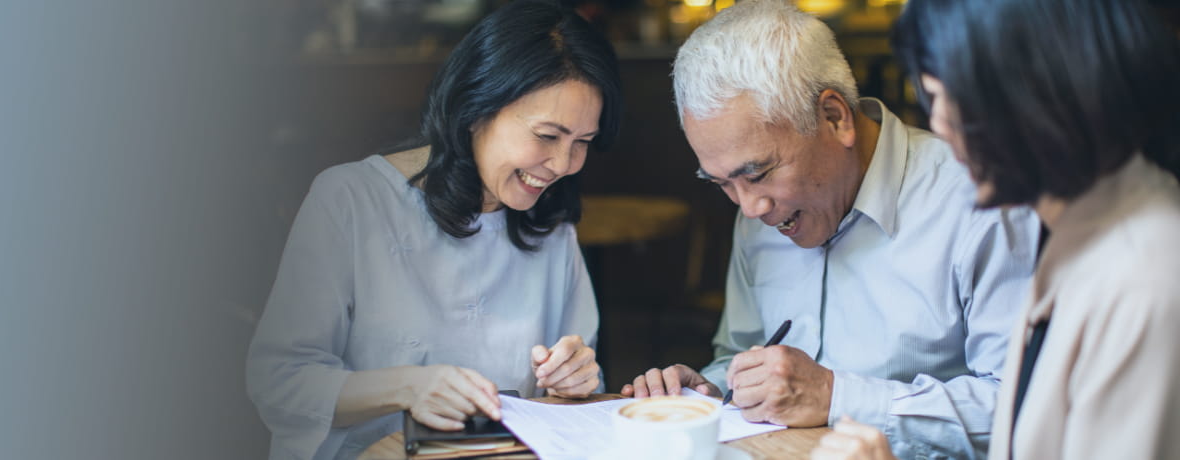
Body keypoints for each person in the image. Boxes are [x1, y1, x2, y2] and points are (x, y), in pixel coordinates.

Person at [618, 0, 1040, 457]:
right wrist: (709, 390)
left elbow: (1023, 408)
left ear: (835, 117)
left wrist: (835, 397)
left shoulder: (980, 202)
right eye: (722, 183)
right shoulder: (758, 212)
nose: (750, 208)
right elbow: (738, 354)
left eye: (758, 173)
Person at [245, 1, 623, 458]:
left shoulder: (550, 227)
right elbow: (280, 382)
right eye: (547, 136)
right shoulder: (351, 200)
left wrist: (577, 380)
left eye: (581, 142)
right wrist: (407, 387)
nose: (563, 165)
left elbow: (579, 399)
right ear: (474, 108)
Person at [812, 0, 1180, 458]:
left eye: (940, 92)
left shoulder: (1142, 278)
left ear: (1034, 84)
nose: (938, 125)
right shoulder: (1079, 231)